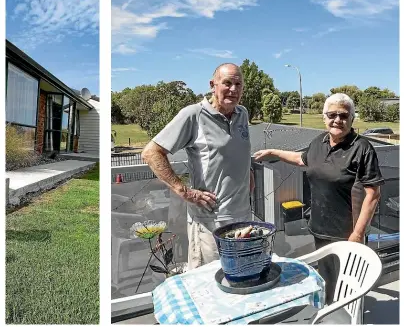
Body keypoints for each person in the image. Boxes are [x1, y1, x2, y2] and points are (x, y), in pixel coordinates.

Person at [253, 93, 384, 304]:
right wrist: (273, 151)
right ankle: (329, 312)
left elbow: (373, 193)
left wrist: (358, 234)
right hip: (320, 228)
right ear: (324, 118)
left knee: (348, 286)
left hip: (347, 233)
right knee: (327, 279)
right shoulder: (319, 142)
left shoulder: (361, 148)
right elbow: (301, 159)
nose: (337, 120)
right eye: (332, 115)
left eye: (344, 115)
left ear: (352, 118)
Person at [142, 63, 255, 270]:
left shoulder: (242, 114)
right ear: (213, 85)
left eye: (238, 84)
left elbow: (237, 151)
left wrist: (249, 173)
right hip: (210, 222)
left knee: (240, 276)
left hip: (243, 216)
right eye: (227, 83)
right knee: (210, 282)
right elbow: (151, 153)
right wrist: (184, 191)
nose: (233, 89)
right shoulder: (193, 115)